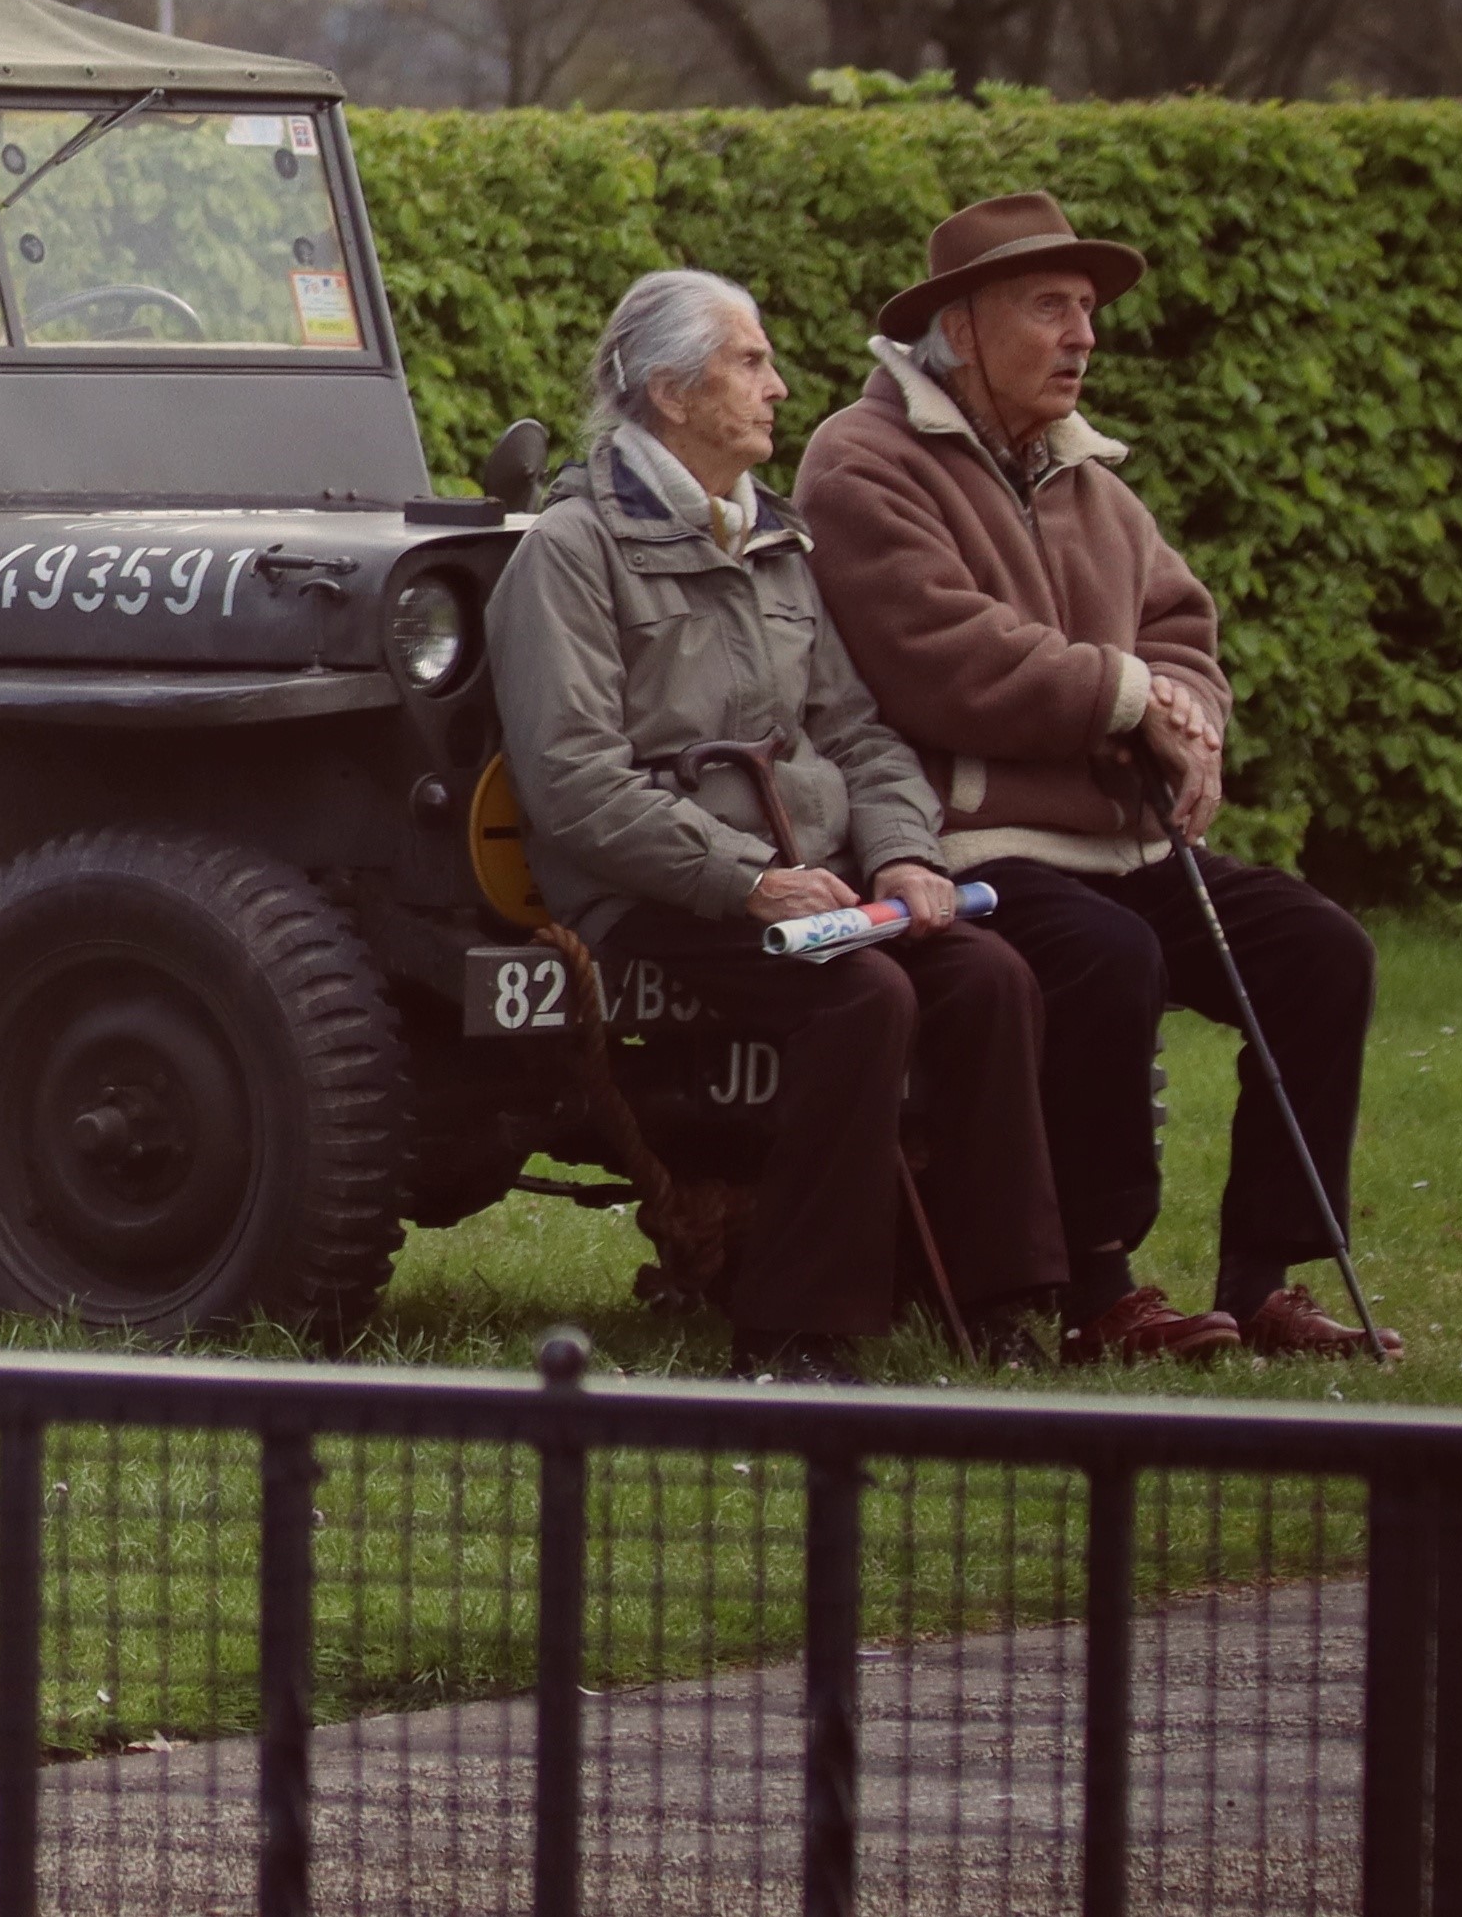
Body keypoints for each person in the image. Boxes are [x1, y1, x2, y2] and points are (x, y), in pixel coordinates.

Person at [802, 193, 1390, 1363]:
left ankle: (1264, 1278)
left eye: (1087, 310)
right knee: (1109, 964)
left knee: (1324, 953)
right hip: (970, 851)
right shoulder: (859, 459)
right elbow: (940, 657)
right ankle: (1099, 1287)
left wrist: (1196, 720)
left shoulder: (1088, 478)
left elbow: (1181, 625)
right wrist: (1132, 699)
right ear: (961, 328)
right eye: (1050, 307)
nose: (1084, 336)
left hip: (1127, 845)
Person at [487, 268, 1072, 1380]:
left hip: (813, 880)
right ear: (668, 390)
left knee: (988, 976)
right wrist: (747, 879)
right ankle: (796, 1328)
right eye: (750, 362)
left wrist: (904, 850)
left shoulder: (775, 545)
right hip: (659, 890)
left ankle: (994, 1301)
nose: (779, 386)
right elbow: (573, 782)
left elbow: (858, 730)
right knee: (860, 996)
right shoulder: (569, 551)